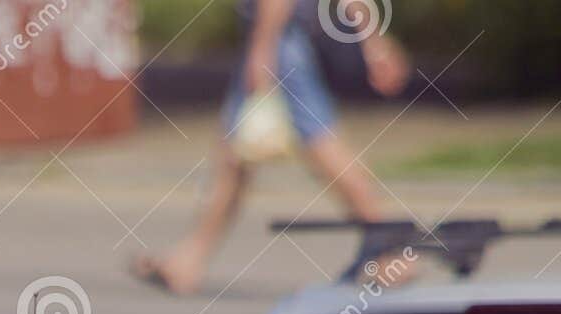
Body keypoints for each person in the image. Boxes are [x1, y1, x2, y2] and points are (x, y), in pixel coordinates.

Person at [132, 0, 411, 293]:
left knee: (323, 146)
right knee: (235, 157)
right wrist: (373, 40)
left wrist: (261, 50)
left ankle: (390, 252)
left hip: (277, 41)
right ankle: (189, 260)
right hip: (282, 40)